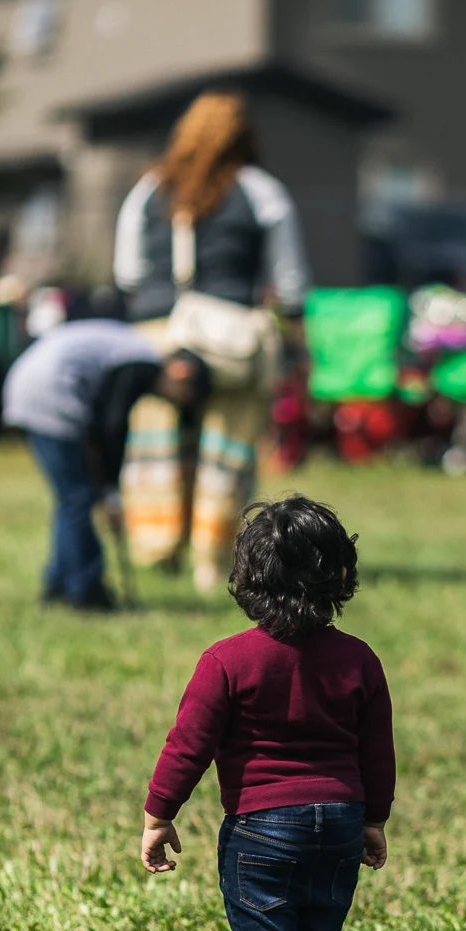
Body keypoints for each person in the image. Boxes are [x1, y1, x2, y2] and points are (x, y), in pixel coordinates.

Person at [141, 496, 395, 931]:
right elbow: (376, 751)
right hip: (339, 821)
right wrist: (373, 820)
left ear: (248, 578)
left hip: (262, 829)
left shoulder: (227, 660)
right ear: (340, 574)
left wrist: (159, 814)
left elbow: (188, 745)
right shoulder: (359, 659)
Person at [114, 92, 311, 593]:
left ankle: (157, 544)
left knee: (156, 442)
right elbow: (290, 281)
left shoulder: (148, 190)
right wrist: (296, 342)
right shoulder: (261, 191)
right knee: (228, 444)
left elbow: (127, 273)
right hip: (230, 337)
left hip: (156, 334)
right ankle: (215, 555)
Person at [3, 321, 211, 610]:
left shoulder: (136, 352)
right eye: (183, 398)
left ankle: (59, 584)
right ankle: (86, 591)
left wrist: (108, 486)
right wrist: (111, 490)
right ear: (181, 373)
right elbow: (112, 426)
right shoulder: (143, 364)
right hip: (53, 390)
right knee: (78, 498)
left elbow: (104, 425)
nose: (172, 402)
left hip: (32, 383)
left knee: (71, 498)